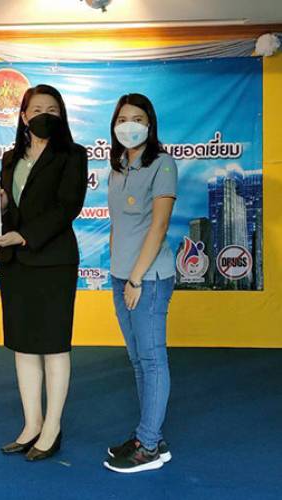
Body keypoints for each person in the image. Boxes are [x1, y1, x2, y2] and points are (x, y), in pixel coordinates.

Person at [0, 84, 88, 461]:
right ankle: (31, 424)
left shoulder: (73, 155)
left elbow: (68, 206)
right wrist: (1, 205)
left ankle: (52, 427)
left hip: (53, 261)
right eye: (36, 109)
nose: (43, 115)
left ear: (61, 115)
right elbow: (10, 209)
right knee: (23, 345)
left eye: (51, 109)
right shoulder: (9, 158)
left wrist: (26, 235)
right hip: (14, 263)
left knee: (53, 345)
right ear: (23, 116)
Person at [103, 93, 178, 474]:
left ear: (150, 124)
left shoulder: (162, 163)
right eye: (122, 119)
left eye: (137, 119)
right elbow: (118, 224)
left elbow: (159, 225)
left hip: (147, 279)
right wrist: (118, 274)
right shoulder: (118, 167)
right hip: (121, 277)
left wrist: (135, 278)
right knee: (137, 360)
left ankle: (148, 446)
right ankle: (151, 434)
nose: (128, 125)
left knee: (152, 359)